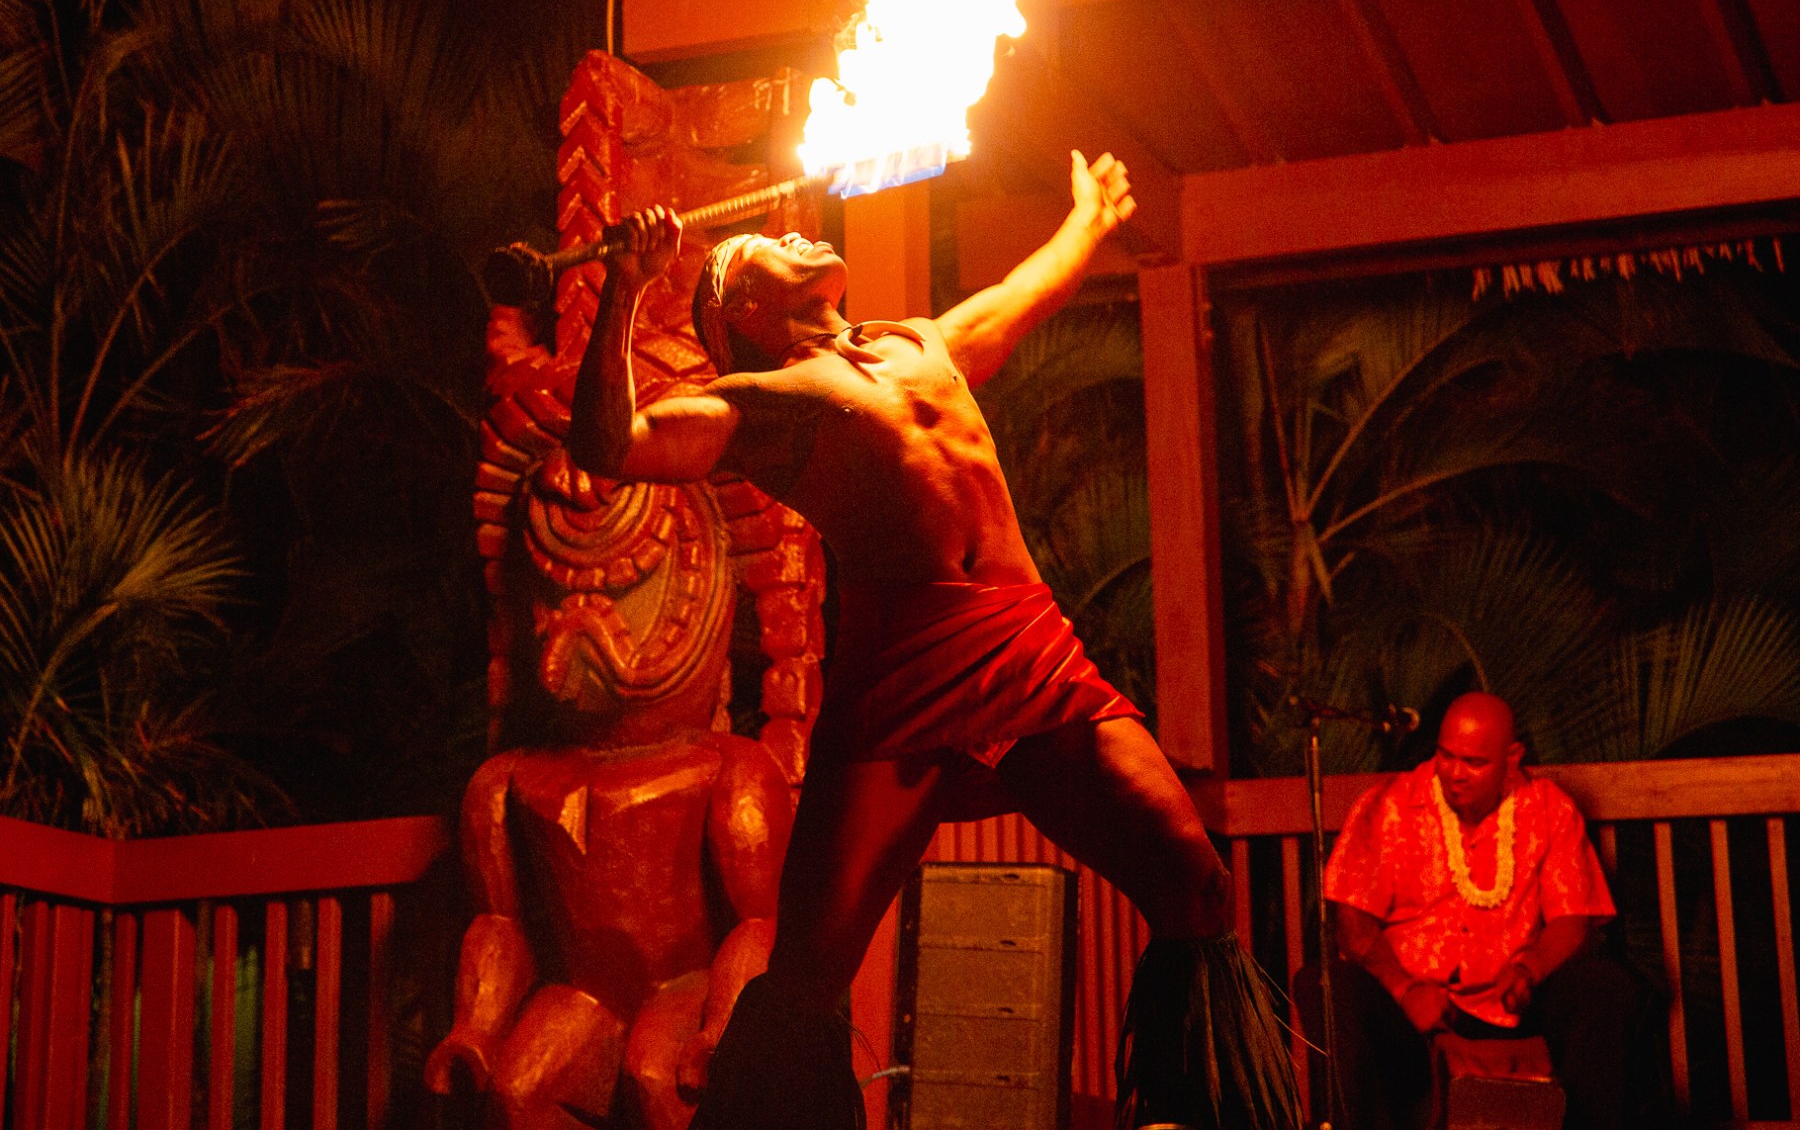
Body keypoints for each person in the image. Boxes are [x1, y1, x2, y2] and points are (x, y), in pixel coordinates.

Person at [569, 152, 1301, 1130]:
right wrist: (622, 286)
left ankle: (1215, 1112)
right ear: (739, 311)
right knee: (804, 980)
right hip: (901, 680)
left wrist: (1087, 219)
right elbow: (610, 444)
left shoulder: (918, 340)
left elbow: (1012, 301)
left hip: (1023, 643)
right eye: (768, 248)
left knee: (1197, 886)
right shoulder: (759, 404)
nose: (798, 231)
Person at [1299, 692, 1638, 1130]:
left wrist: (1531, 968)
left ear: (1512, 757)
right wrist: (1403, 991)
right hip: (1414, 1017)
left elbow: (1573, 918)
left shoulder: (1548, 808)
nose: (1455, 774)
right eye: (1446, 756)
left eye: (1474, 763)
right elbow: (1354, 924)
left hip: (1516, 1005)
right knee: (1322, 983)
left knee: (1603, 986)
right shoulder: (1389, 805)